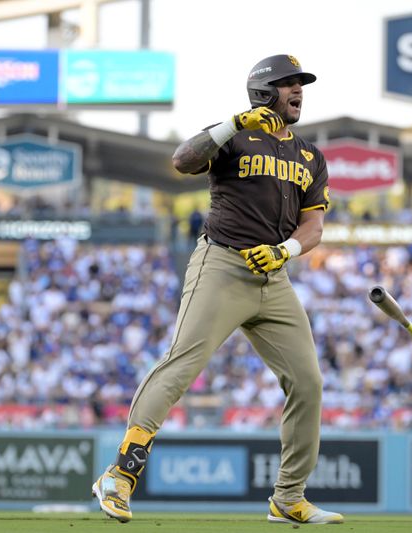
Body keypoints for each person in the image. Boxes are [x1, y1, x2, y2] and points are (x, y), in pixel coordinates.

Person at [92, 54, 340, 525]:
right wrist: (230, 124)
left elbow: (314, 227)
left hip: (274, 274)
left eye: (300, 83)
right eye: (288, 84)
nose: (299, 90)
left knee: (308, 382)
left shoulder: (311, 155)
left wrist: (285, 251)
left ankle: (288, 498)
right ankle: (119, 476)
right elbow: (183, 160)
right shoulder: (235, 135)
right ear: (264, 92)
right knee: (183, 362)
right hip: (223, 263)